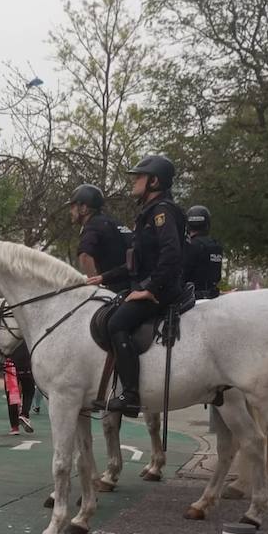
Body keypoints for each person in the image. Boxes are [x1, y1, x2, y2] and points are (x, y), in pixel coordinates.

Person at [88, 154, 187, 416]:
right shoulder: (148, 212)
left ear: (154, 181)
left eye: (139, 177)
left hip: (163, 289)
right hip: (148, 284)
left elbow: (171, 255)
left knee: (116, 323)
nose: (134, 182)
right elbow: (137, 263)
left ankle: (131, 395)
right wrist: (105, 277)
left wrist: (151, 289)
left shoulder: (162, 212)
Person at [68, 184, 131, 292]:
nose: (70, 212)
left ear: (83, 208)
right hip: (137, 283)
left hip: (119, 289)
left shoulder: (92, 226)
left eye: (73, 207)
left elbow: (85, 255)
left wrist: (95, 288)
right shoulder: (114, 222)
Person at [183, 205, 224, 299]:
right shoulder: (217, 246)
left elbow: (182, 274)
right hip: (213, 294)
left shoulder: (188, 246)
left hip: (192, 297)